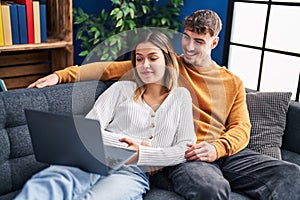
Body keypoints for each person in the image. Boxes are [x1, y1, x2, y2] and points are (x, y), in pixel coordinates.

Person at [28, 10, 300, 200]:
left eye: (199, 41)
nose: (190, 47)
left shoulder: (232, 82)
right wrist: (61, 74)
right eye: (186, 38)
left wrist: (218, 148)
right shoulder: (165, 64)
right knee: (210, 188)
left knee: (291, 175)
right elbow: (109, 68)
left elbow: (242, 127)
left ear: (214, 42)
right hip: (189, 153)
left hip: (223, 149)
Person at [15, 32, 196, 200]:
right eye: (139, 59)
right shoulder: (121, 89)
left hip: (132, 172)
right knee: (51, 182)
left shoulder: (182, 98)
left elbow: (184, 150)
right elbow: (88, 131)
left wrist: (144, 153)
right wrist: (130, 147)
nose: (145, 65)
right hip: (92, 157)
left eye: (153, 58)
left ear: (168, 61)